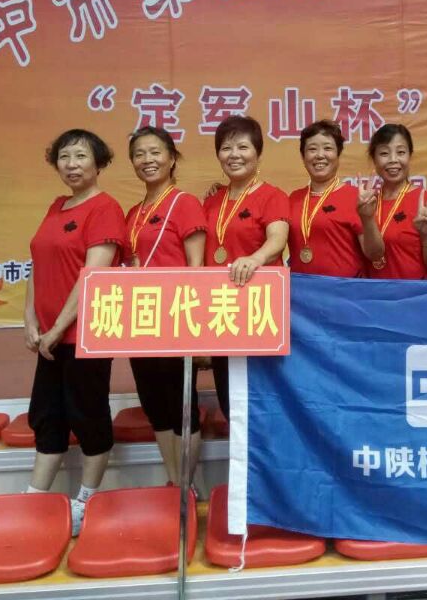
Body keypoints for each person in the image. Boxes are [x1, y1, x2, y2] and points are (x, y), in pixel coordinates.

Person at [24, 129, 126, 535]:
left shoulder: (105, 209)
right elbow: (38, 265)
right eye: (64, 157)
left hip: (86, 335)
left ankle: (86, 500)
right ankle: (34, 498)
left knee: (89, 416)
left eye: (81, 156)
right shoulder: (57, 206)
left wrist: (58, 328)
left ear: (98, 163)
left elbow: (92, 279)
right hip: (49, 338)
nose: (72, 164)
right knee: (47, 416)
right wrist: (30, 320)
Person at [124, 126, 207, 488]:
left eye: (155, 152)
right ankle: (175, 484)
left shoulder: (184, 203)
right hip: (142, 322)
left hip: (176, 320)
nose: (148, 160)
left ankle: (187, 486)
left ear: (172, 158)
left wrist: (195, 329)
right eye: (139, 154)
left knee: (180, 407)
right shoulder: (133, 212)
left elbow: (197, 267)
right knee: (155, 408)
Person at [202, 115, 289, 422]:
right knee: (228, 399)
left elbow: (277, 238)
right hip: (220, 310)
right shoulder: (212, 201)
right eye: (226, 148)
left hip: (257, 309)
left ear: (258, 152)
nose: (234, 155)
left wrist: (255, 259)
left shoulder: (272, 196)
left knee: (262, 400)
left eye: (243, 147)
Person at [358, 124, 427, 279]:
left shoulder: (425, 202)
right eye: (384, 153)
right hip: (375, 293)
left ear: (410, 156)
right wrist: (367, 218)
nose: (393, 160)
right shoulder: (366, 203)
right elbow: (373, 254)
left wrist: (426, 235)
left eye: (400, 152)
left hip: (415, 293)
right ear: (374, 159)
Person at [288, 120, 369, 277]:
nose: (320, 155)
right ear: (303, 157)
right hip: (301, 288)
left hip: (343, 289)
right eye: (312, 149)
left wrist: (368, 218)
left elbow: (373, 253)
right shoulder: (293, 199)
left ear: (338, 154)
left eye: (328, 148)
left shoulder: (355, 197)